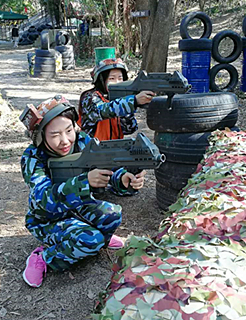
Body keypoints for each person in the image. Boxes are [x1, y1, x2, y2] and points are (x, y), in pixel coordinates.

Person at [20, 95, 147, 288]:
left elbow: (106, 169)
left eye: (69, 130)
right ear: (41, 136)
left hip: (78, 209)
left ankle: (95, 239)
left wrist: (123, 179)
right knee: (90, 239)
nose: (64, 140)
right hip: (47, 219)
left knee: (113, 215)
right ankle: (44, 257)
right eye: (54, 135)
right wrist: (84, 182)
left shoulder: (82, 141)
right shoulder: (33, 158)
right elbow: (43, 200)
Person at [78, 58, 155, 141]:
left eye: (120, 78)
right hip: (90, 148)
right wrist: (134, 101)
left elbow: (130, 129)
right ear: (102, 80)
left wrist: (127, 111)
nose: (117, 82)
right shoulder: (89, 97)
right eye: (112, 78)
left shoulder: (121, 100)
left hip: (113, 148)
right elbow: (101, 111)